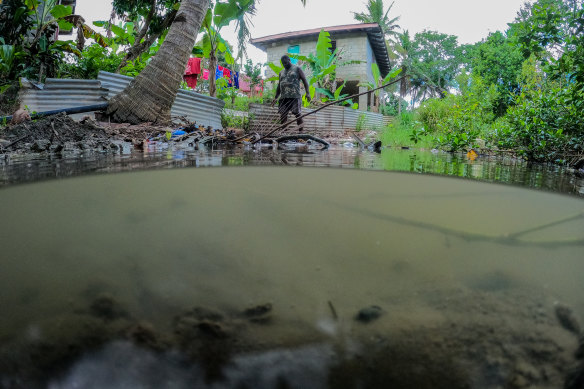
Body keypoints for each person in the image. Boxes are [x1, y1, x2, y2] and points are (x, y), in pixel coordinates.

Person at [271, 55, 311, 132]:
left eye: (286, 63)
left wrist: (308, 93)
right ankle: (284, 132)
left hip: (294, 96)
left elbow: (305, 81)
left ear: (289, 60)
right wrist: (276, 97)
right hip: (283, 97)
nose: (284, 65)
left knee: (297, 114)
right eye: (283, 64)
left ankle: (301, 132)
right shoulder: (281, 72)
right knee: (283, 115)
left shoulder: (297, 69)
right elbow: (279, 85)